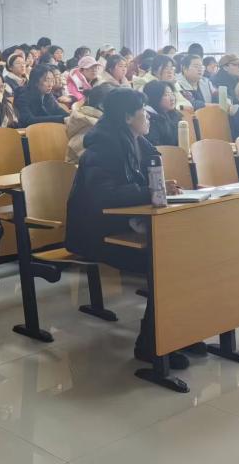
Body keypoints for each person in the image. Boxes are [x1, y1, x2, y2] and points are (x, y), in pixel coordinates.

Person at [65, 88, 188, 368]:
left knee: (185, 255)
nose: (149, 117)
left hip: (125, 227)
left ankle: (180, 334)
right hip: (100, 235)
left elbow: (146, 180)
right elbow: (105, 196)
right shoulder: (102, 148)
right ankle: (151, 344)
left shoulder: (138, 143)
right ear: (127, 117)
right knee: (168, 263)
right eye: (143, 112)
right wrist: (151, 190)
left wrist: (161, 187)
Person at [65, 83, 112, 165]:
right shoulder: (90, 127)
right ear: (102, 106)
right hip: (76, 170)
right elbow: (98, 162)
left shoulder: (97, 121)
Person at [142, 80, 182, 147]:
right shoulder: (149, 119)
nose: (172, 98)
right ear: (154, 98)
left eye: (172, 94)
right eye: (166, 95)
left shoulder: (173, 114)